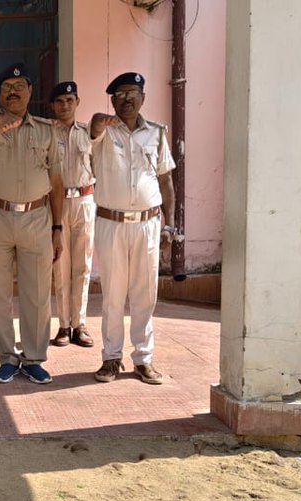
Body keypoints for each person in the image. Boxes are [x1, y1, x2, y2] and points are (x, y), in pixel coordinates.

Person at [0, 63, 65, 385]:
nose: (13, 92)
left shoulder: (46, 130)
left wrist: (58, 228)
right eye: (6, 87)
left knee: (38, 293)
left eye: (19, 86)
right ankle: (6, 357)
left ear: (30, 91)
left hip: (37, 218)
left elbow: (57, 182)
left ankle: (33, 358)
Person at [88, 72, 176, 385]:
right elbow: (92, 132)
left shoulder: (157, 133)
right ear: (112, 100)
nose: (127, 100)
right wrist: (98, 123)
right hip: (111, 223)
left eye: (132, 94)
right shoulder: (102, 132)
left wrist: (170, 224)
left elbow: (165, 180)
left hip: (147, 224)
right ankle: (111, 357)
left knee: (145, 295)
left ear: (143, 98)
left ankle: (143, 359)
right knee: (113, 294)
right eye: (120, 95)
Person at [48, 81, 97, 349]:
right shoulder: (47, 133)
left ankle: (80, 324)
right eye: (59, 101)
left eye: (69, 100)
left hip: (84, 200)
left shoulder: (90, 132)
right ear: (52, 106)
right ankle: (63, 325)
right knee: (60, 264)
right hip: (57, 203)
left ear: (77, 102)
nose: (65, 105)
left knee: (82, 265)